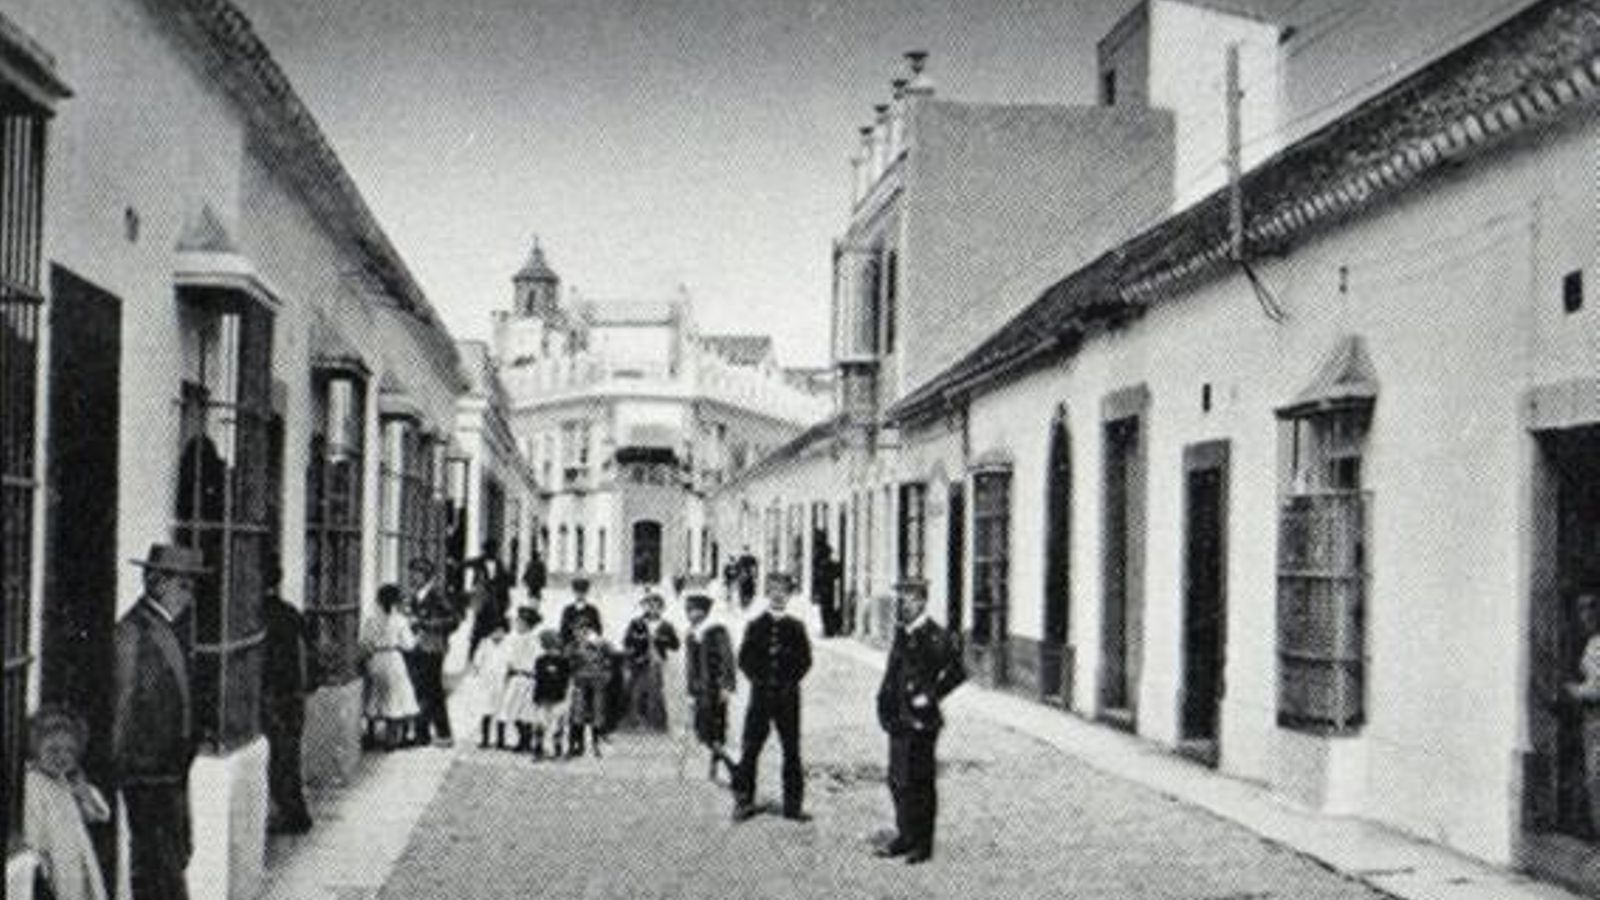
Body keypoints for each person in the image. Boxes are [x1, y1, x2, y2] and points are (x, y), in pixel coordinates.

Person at [114, 543, 206, 900]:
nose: (190, 595)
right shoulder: (132, 632)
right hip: (146, 773)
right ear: (155, 581)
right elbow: (122, 706)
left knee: (175, 856)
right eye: (183, 586)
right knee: (159, 867)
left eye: (193, 586)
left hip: (170, 770)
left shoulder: (168, 627)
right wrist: (120, 763)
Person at [876, 580, 967, 864]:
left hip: (922, 722)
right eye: (901, 599)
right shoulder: (902, 634)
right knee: (897, 780)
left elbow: (958, 671)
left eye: (909, 599)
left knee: (920, 783)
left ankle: (922, 844)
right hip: (899, 718)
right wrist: (883, 703)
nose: (903, 604)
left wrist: (932, 695)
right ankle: (904, 836)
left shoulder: (935, 636)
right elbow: (893, 673)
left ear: (922, 601)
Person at [732, 573, 812, 822]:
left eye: (783, 590)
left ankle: (793, 805)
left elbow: (805, 660)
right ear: (767, 593)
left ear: (789, 595)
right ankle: (744, 801)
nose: (778, 595)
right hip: (761, 696)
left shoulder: (796, 627)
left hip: (788, 698)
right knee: (751, 748)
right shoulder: (756, 626)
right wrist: (760, 679)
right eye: (774, 589)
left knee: (791, 750)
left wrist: (789, 681)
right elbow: (744, 659)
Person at [26, 706, 112, 900]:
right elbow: (33, 830)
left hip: (75, 857)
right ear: (35, 748)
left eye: (69, 751)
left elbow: (99, 814)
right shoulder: (33, 782)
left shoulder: (65, 781)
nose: (62, 757)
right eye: (53, 750)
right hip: (53, 858)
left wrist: (82, 792)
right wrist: (42, 864)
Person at [261, 557, 313, 834]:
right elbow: (309, 650)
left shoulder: (256, 614)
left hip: (271, 695)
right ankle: (295, 812)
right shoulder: (290, 612)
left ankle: (290, 814)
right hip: (293, 694)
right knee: (288, 757)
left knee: (277, 758)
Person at [406, 558, 461, 748]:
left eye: (418, 573)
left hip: (434, 647)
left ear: (426, 576)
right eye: (412, 572)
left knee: (431, 690)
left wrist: (426, 624)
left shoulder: (436, 595)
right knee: (426, 690)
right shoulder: (415, 596)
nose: (413, 576)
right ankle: (432, 733)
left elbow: (454, 620)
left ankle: (433, 733)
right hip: (418, 647)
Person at [683, 593, 737, 781]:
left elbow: (727, 659)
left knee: (714, 730)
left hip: (715, 689)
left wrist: (726, 686)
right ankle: (720, 766)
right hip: (700, 691)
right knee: (704, 731)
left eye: (694, 610)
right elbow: (690, 667)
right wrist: (690, 691)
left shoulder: (716, 632)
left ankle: (729, 766)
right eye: (688, 610)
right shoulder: (691, 634)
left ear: (704, 612)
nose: (690, 614)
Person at [360, 584, 420, 751]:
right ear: (396, 601)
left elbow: (364, 642)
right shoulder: (400, 620)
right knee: (394, 696)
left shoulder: (371, 619)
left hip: (376, 658)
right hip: (393, 658)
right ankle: (390, 740)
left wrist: (372, 651)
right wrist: (416, 636)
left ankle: (370, 735)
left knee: (374, 695)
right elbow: (408, 645)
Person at [1566, 591, 1600, 834]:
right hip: (1591, 721)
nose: (1585, 616)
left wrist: (1574, 691)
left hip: (1597, 720)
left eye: (1590, 609)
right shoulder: (1591, 644)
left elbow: (1597, 690)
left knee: (1596, 778)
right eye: (1581, 610)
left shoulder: (1597, 646)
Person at [623, 593, 680, 731]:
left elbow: (675, 645)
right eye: (650, 605)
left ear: (662, 608)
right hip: (639, 660)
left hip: (657, 661)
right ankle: (635, 722)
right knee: (636, 689)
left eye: (657, 606)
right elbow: (626, 641)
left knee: (655, 691)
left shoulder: (666, 625)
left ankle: (656, 723)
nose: (653, 608)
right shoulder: (636, 622)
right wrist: (639, 639)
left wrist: (661, 639)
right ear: (645, 607)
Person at [498, 607, 543, 752]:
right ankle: (522, 739)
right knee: (512, 710)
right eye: (517, 622)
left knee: (525, 711)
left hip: (527, 678)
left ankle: (526, 741)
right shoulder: (514, 638)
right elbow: (508, 658)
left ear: (527, 624)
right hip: (515, 677)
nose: (517, 624)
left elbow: (537, 660)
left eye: (520, 622)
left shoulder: (533, 640)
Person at [568, 622, 616, 758]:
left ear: (588, 630)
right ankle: (578, 745)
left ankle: (596, 745)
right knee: (578, 713)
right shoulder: (574, 645)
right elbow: (568, 659)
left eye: (582, 630)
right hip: (580, 681)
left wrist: (607, 674)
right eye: (576, 631)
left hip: (597, 681)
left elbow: (612, 656)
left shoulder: (600, 643)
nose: (578, 634)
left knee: (597, 712)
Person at [466, 539, 513, 658]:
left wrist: (506, 601)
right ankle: (473, 655)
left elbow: (505, 582)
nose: (492, 552)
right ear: (485, 550)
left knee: (495, 628)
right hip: (483, 600)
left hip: (497, 600)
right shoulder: (478, 561)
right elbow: (463, 564)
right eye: (490, 550)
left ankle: (493, 656)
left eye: (494, 550)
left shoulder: (499, 563)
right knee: (478, 629)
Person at [531, 629, 574, 759]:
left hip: (557, 696)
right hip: (544, 696)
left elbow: (566, 680)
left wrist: (565, 696)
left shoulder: (564, 662)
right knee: (541, 723)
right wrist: (537, 697)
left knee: (557, 723)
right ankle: (539, 748)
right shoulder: (540, 660)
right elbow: (538, 680)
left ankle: (557, 748)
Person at [469, 622, 511, 750]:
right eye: (495, 631)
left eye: (501, 631)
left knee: (502, 711)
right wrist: (477, 673)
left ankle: (501, 740)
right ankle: (485, 739)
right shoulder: (485, 643)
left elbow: (510, 662)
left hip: (502, 681)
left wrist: (508, 674)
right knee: (486, 710)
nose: (498, 634)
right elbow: (477, 661)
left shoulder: (508, 644)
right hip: (486, 681)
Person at [558, 576, 603, 651]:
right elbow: (563, 631)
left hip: (589, 645)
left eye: (583, 592)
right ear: (574, 592)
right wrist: (574, 638)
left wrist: (588, 638)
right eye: (578, 592)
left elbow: (598, 630)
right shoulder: (568, 610)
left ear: (586, 593)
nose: (580, 595)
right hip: (572, 645)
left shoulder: (592, 610)